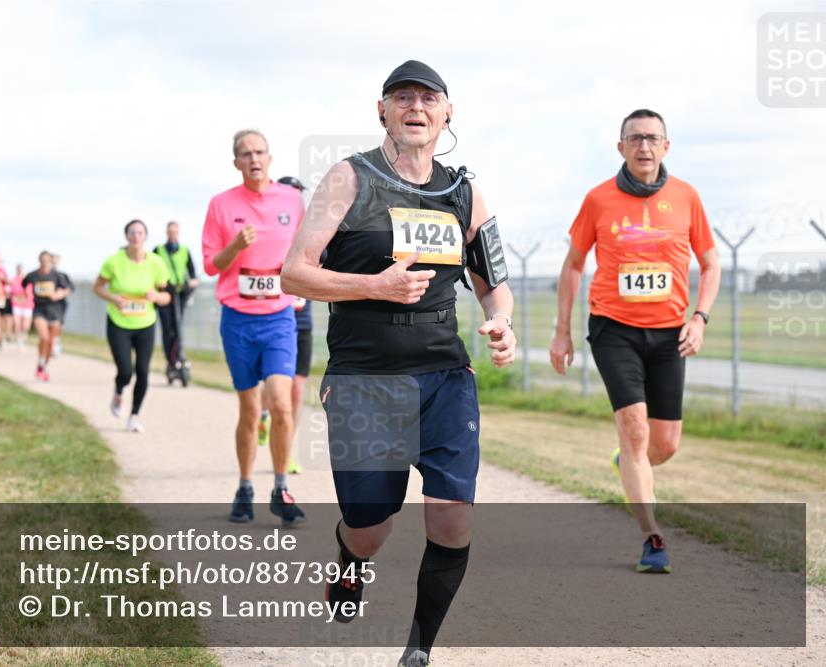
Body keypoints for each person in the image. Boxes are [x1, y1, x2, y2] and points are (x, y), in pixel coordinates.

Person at [281, 60, 516, 667]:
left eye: (428, 98)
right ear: (381, 110)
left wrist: (501, 321)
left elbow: (493, 284)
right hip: (365, 378)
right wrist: (374, 287)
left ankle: (419, 649)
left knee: (453, 520)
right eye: (402, 97)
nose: (416, 107)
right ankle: (351, 561)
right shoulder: (349, 178)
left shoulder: (464, 193)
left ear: (447, 112)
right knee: (369, 526)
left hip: (445, 376)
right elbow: (295, 274)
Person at [549, 109, 721, 575]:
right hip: (613, 329)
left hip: (669, 333)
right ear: (620, 147)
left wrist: (700, 318)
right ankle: (652, 538)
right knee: (635, 428)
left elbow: (710, 264)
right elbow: (573, 265)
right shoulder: (598, 199)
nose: (644, 146)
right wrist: (562, 330)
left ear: (666, 146)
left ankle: (627, 460)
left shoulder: (686, 196)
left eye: (652, 138)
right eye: (635, 138)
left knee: (663, 445)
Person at [201, 129, 306, 527]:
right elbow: (211, 265)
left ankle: (280, 488)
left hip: (279, 317)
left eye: (260, 152)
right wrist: (236, 246)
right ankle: (244, 488)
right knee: (249, 409)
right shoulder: (221, 204)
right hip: (238, 320)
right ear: (236, 163)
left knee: (281, 402)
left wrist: (302, 287)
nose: (254, 159)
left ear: (270, 158)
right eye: (246, 154)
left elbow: (305, 251)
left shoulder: (291, 200)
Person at [94, 220, 172, 432]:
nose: (136, 236)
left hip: (145, 323)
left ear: (145, 236)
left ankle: (134, 416)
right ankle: (119, 391)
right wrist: (114, 298)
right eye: (132, 232)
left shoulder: (156, 263)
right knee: (126, 371)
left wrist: (157, 296)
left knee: (143, 371)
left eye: (140, 232)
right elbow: (97, 287)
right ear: (126, 236)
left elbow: (167, 296)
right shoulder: (114, 261)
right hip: (119, 323)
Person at [259, 175, 312, 474]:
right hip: (273, 319)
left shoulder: (312, 232)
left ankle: (286, 451)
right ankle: (264, 415)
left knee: (296, 391)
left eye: (299, 194)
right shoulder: (270, 233)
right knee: (274, 386)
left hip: (302, 321)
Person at [154, 220, 199, 379]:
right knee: (168, 328)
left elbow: (194, 276)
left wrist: (189, 284)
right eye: (170, 232)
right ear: (167, 233)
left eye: (175, 232)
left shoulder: (185, 251)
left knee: (178, 327)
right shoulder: (158, 251)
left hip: (180, 294)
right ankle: (171, 361)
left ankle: (179, 357)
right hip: (165, 295)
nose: (172, 235)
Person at [23, 251, 71, 381]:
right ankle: (41, 360)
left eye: (47, 261)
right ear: (39, 261)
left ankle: (43, 366)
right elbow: (24, 285)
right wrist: (27, 296)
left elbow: (67, 289)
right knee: (44, 337)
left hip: (55, 310)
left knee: (50, 341)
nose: (45, 263)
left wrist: (59, 294)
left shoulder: (57, 275)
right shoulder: (33, 275)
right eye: (42, 261)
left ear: (50, 261)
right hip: (39, 310)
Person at [51, 254, 73, 357]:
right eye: (52, 261)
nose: (54, 263)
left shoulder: (63, 275)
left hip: (60, 305)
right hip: (46, 305)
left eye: (56, 261)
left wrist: (62, 293)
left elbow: (70, 288)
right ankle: (50, 344)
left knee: (58, 325)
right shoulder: (44, 275)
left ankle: (55, 344)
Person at [10, 263, 34, 348]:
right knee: (17, 323)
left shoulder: (29, 280)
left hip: (27, 305)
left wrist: (26, 298)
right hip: (17, 304)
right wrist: (15, 298)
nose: (20, 271)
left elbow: (31, 293)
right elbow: (12, 293)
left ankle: (22, 337)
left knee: (25, 326)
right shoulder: (13, 280)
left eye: (21, 269)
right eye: (18, 269)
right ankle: (18, 340)